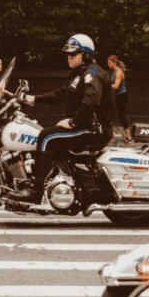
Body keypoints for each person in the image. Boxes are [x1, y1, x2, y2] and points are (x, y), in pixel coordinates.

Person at [8, 33, 119, 203]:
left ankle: (35, 189)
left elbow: (92, 100)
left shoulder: (92, 74)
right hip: (86, 126)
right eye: (68, 53)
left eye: (73, 53)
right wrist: (33, 98)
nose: (69, 57)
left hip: (94, 129)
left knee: (46, 136)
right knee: (48, 135)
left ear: (86, 55)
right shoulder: (79, 74)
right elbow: (61, 93)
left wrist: (74, 122)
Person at [107, 55, 131, 139]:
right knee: (110, 113)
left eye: (109, 62)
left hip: (121, 96)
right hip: (116, 96)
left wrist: (106, 86)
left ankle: (128, 136)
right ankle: (111, 133)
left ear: (114, 63)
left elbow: (116, 86)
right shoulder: (114, 71)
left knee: (121, 116)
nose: (108, 64)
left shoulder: (118, 72)